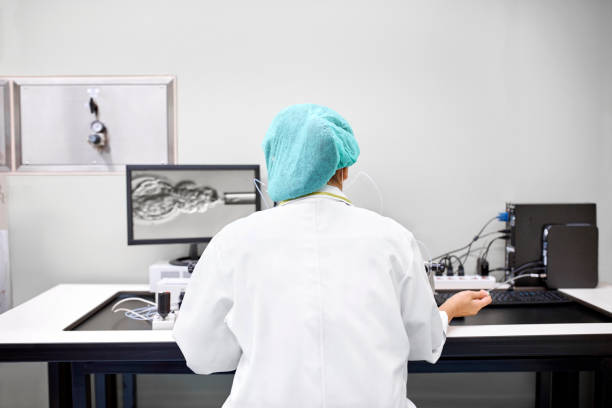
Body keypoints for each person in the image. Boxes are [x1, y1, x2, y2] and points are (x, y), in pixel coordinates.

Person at [173, 104, 492, 408]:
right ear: (346, 168)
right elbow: (422, 341)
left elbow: (201, 355)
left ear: (277, 163)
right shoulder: (393, 239)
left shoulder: (234, 241)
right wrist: (449, 310)